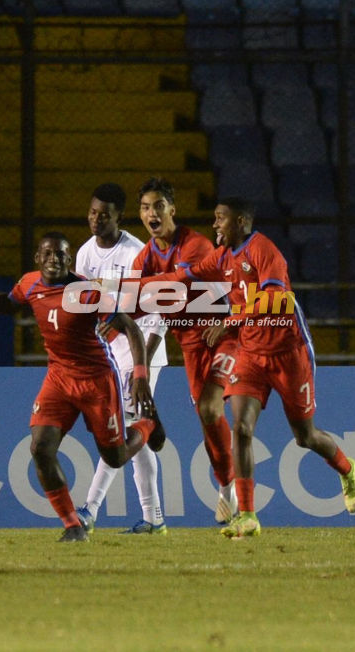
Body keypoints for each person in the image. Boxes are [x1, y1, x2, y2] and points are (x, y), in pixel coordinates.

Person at [138, 196, 355, 538]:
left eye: (220, 219)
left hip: (289, 352)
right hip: (251, 353)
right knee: (241, 427)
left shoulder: (264, 251)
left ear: (241, 221)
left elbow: (274, 300)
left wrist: (230, 320)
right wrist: (125, 295)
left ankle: (347, 469)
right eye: (214, 218)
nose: (214, 225)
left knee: (305, 437)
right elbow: (186, 276)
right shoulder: (223, 256)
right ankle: (247, 515)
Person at [0, 232, 163, 542]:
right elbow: (7, 304)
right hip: (59, 378)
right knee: (40, 448)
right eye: (47, 254)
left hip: (97, 380)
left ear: (69, 259)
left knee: (115, 457)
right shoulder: (29, 284)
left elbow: (130, 328)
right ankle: (73, 526)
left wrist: (141, 375)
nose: (54, 259)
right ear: (37, 258)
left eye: (60, 254)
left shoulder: (87, 293)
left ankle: (146, 426)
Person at [128, 177, 238, 525]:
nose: (151, 213)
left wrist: (134, 293)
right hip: (191, 348)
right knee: (208, 420)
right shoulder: (145, 257)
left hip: (223, 335)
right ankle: (228, 488)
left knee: (213, 407)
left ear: (171, 210)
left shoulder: (196, 245)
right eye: (145, 208)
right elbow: (133, 304)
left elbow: (178, 284)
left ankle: (237, 494)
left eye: (158, 206)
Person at [73, 182, 169, 535]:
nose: (96, 220)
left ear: (120, 217)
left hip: (141, 354)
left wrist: (142, 368)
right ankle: (154, 517)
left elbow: (161, 312)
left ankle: (89, 509)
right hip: (110, 356)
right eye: (93, 213)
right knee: (137, 442)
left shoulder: (137, 254)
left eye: (105, 215)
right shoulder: (84, 255)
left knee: (122, 431)